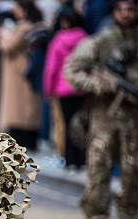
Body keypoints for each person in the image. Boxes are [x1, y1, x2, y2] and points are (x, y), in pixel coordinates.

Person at [64, 0, 138, 219]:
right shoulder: (100, 41)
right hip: (103, 118)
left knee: (133, 176)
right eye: (121, 9)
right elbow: (73, 71)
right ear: (114, 12)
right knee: (97, 175)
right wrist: (98, 85)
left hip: (136, 121)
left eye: (131, 9)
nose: (126, 14)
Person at [0, 0, 44, 150]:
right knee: (23, 108)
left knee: (21, 109)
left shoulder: (24, 27)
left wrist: (2, 34)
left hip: (19, 73)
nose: (14, 11)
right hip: (20, 72)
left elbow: (9, 46)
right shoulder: (30, 26)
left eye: (17, 8)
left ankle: (22, 142)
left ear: (24, 10)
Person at [43, 5, 87, 168]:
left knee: (65, 125)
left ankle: (68, 159)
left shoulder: (59, 39)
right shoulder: (85, 38)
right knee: (82, 124)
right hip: (81, 88)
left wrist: (48, 89)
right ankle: (81, 158)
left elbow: (52, 68)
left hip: (63, 89)